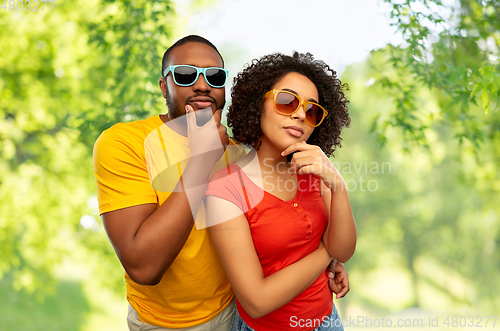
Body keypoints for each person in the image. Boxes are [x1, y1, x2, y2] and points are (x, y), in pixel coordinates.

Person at [93, 35, 350, 331]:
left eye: (214, 76)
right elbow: (144, 267)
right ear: (164, 85)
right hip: (168, 324)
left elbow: (275, 229)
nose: (202, 85)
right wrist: (202, 160)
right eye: (186, 74)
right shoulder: (124, 142)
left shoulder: (242, 152)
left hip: (237, 314)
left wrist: (327, 262)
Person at [205, 52, 356, 331]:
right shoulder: (224, 190)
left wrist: (338, 186)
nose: (300, 114)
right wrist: (327, 253)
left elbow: (344, 251)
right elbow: (256, 301)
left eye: (311, 110)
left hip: (328, 321)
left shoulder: (317, 170)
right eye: (287, 101)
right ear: (257, 104)